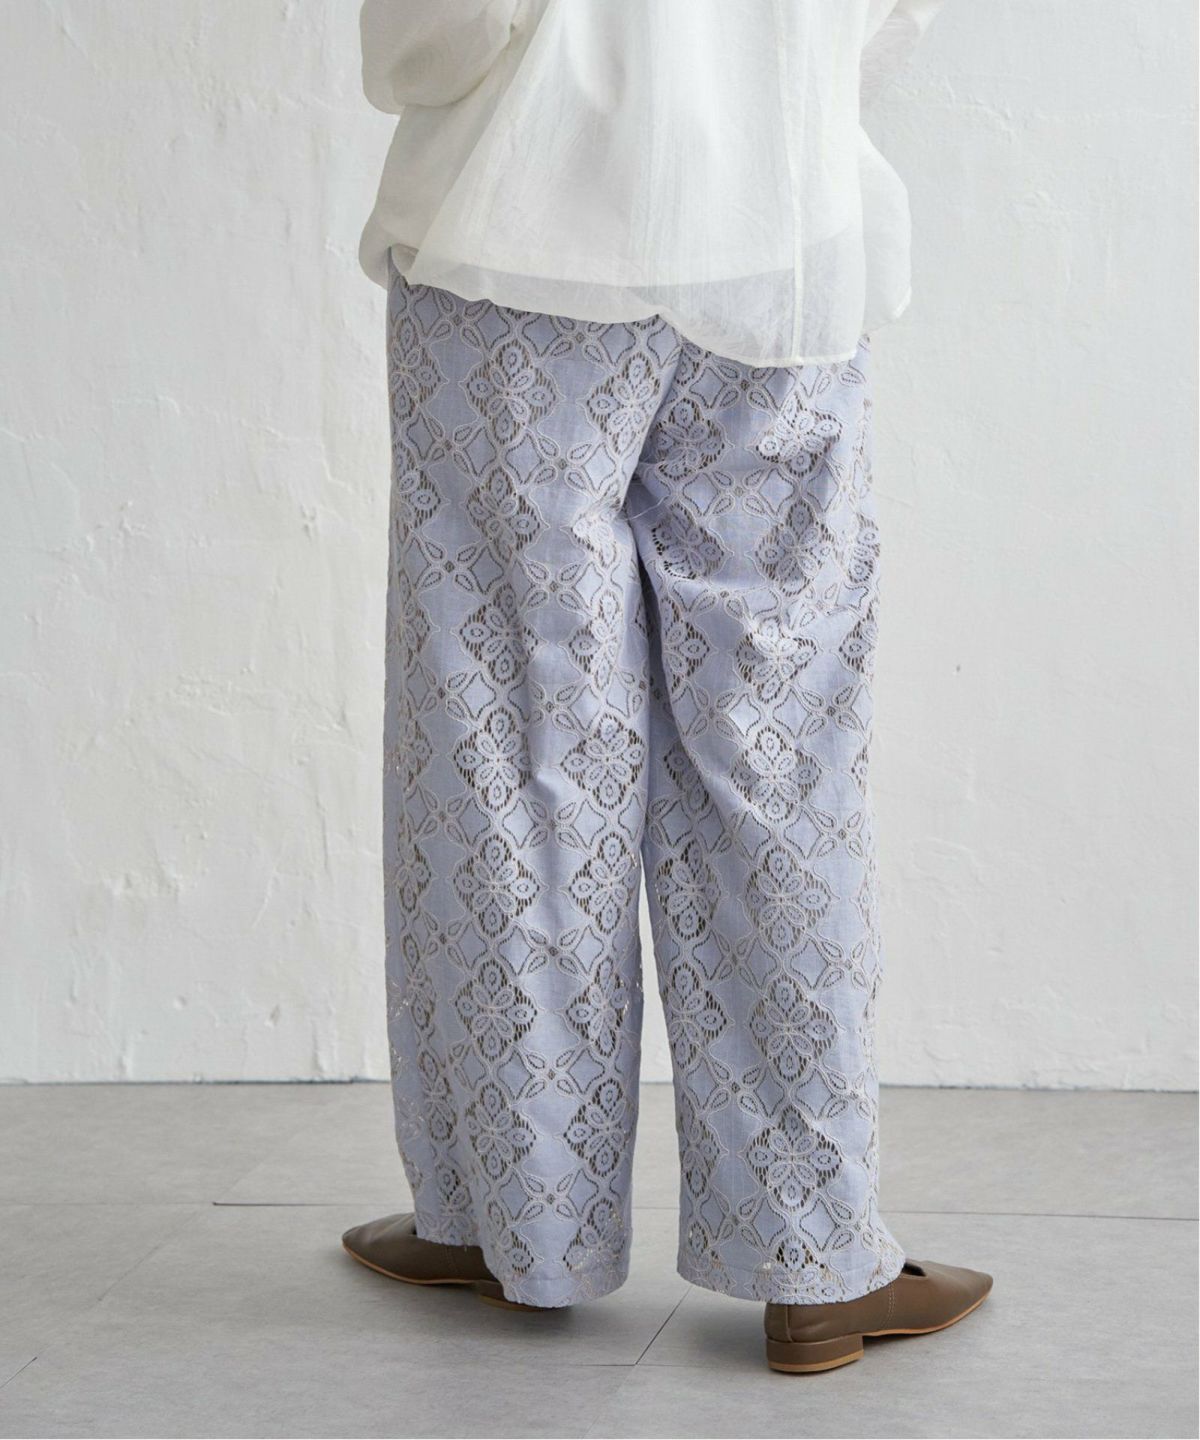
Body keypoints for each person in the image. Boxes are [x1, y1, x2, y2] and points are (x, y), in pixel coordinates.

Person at [342, 0, 991, 1374]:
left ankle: (515, 1224)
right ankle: (815, 1258)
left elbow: (440, 27)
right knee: (777, 748)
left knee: (513, 745)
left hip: (520, 241)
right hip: (779, 241)